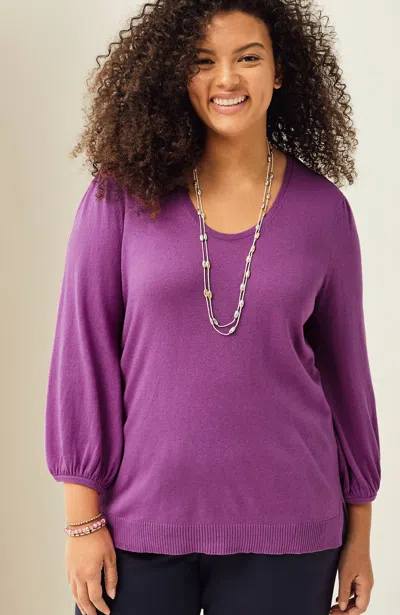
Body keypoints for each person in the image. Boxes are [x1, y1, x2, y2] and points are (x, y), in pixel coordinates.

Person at [44, 1, 381, 614]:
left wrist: (359, 536)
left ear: (280, 70)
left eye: (248, 57)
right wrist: (81, 521)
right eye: (203, 61)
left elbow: (347, 377)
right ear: (178, 74)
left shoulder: (324, 211)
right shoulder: (120, 197)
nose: (226, 78)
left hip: (290, 530)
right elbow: (82, 353)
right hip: (138, 527)